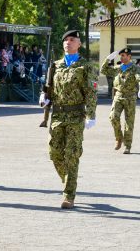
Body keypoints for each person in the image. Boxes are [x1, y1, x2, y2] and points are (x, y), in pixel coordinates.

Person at [39, 30, 97, 209]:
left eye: (72, 40)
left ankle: (69, 194)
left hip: (75, 116)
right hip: (57, 115)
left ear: (79, 44)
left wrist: (91, 114)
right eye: (65, 40)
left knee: (71, 154)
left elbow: (90, 92)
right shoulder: (55, 65)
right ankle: (68, 179)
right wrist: (44, 96)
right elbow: (48, 87)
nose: (67, 42)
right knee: (54, 153)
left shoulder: (85, 66)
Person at [100, 48, 140, 154]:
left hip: (130, 97)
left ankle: (127, 145)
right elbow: (103, 70)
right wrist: (108, 59)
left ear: (129, 56)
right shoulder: (118, 68)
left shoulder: (135, 68)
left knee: (129, 122)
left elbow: (138, 77)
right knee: (113, 117)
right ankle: (119, 138)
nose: (121, 57)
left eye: (123, 55)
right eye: (120, 55)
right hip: (118, 95)